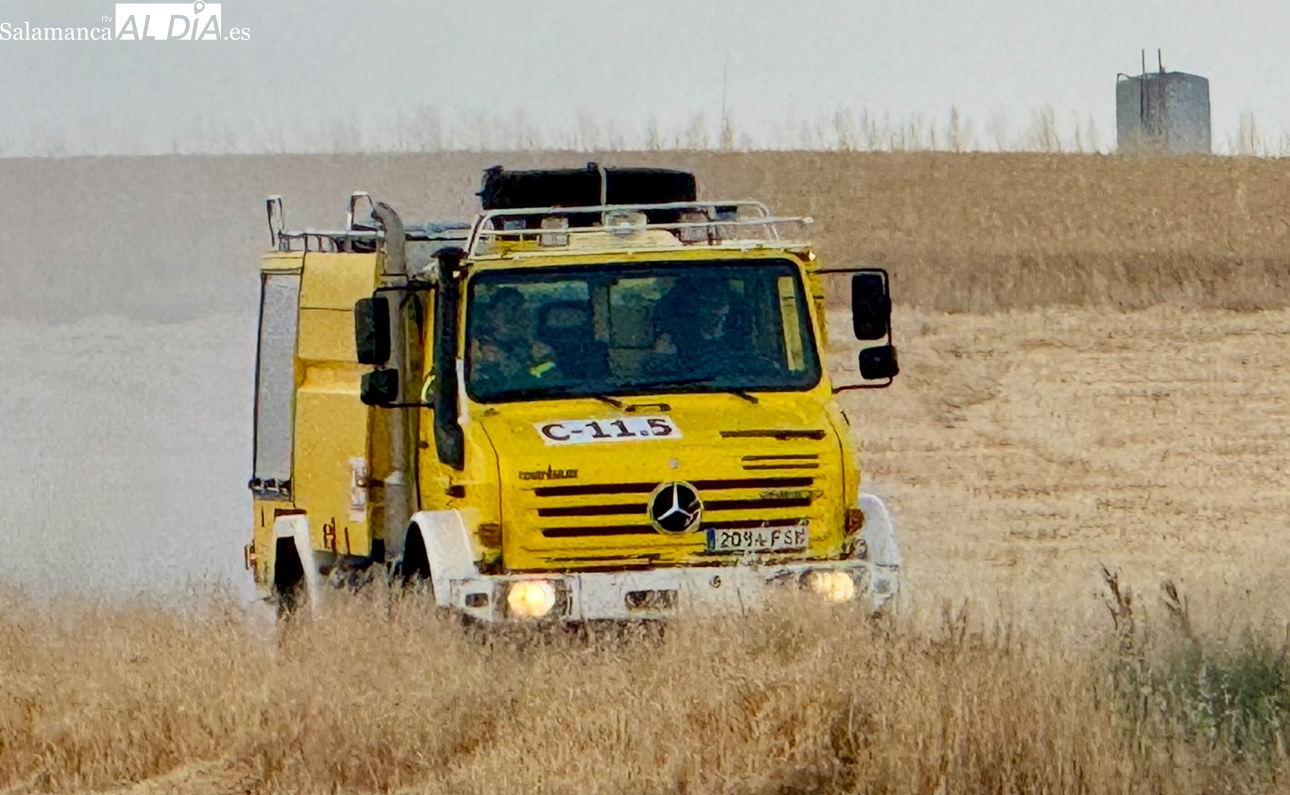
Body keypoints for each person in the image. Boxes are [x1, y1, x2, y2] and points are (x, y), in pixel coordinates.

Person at [471, 287, 558, 388]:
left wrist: (538, 364)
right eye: (505, 306)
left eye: (517, 307)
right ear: (491, 313)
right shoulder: (475, 348)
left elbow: (554, 382)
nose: (511, 314)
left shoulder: (536, 349)